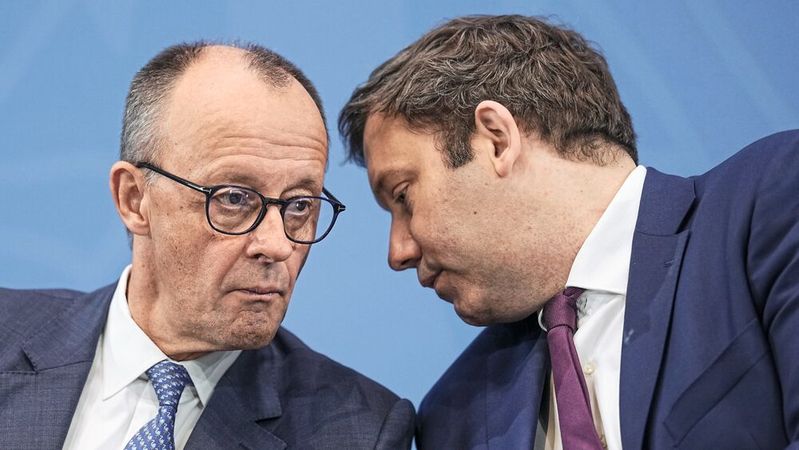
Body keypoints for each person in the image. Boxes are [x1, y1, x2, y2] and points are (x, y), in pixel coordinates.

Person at [339, 14, 798, 449]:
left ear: (497, 139)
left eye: (402, 196)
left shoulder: (774, 202)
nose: (397, 251)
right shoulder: (451, 415)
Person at [0, 42, 414, 450]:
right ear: (134, 199)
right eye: (234, 198)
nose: (277, 245)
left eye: (300, 205)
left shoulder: (357, 432)